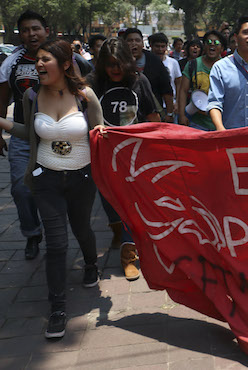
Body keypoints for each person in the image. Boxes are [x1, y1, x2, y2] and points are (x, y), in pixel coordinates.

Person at [0, 39, 103, 339]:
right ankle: (57, 308)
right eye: (38, 61)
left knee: (82, 229)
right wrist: (4, 124)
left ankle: (91, 263)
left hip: (82, 179)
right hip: (45, 179)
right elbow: (27, 132)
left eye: (46, 60)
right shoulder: (31, 96)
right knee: (56, 244)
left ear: (66, 64)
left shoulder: (85, 96)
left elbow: (101, 134)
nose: (39, 65)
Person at [86, 37, 160, 281]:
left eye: (119, 63)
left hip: (134, 154)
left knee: (130, 203)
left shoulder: (140, 81)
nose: (115, 69)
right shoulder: (93, 84)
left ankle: (130, 254)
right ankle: (116, 229)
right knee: (108, 199)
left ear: (128, 63)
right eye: (109, 64)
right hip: (102, 153)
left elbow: (153, 115)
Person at [0, 10, 47, 260]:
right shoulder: (11, 63)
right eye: (26, 30)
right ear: (20, 35)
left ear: (46, 31)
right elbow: (2, 99)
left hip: (55, 137)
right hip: (22, 136)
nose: (32, 33)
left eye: (36, 28)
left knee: (58, 190)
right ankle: (32, 233)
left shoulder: (64, 58)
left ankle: (59, 234)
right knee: (21, 188)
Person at [122, 28, 174, 122]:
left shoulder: (154, 61)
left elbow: (166, 89)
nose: (134, 44)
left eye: (137, 40)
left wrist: (170, 114)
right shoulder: (118, 62)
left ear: (142, 44)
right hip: (126, 114)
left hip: (152, 115)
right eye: (130, 40)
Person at [178, 30, 224, 131]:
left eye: (216, 43)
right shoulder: (192, 65)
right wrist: (181, 115)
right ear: (204, 46)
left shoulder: (227, 67)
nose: (212, 45)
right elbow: (183, 91)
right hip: (196, 124)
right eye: (208, 42)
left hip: (222, 124)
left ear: (222, 48)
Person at [148, 33, 182, 121]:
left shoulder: (173, 63)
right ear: (151, 46)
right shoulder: (146, 63)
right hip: (151, 107)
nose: (160, 49)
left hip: (170, 107)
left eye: (163, 46)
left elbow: (178, 84)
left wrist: (177, 102)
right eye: (157, 46)